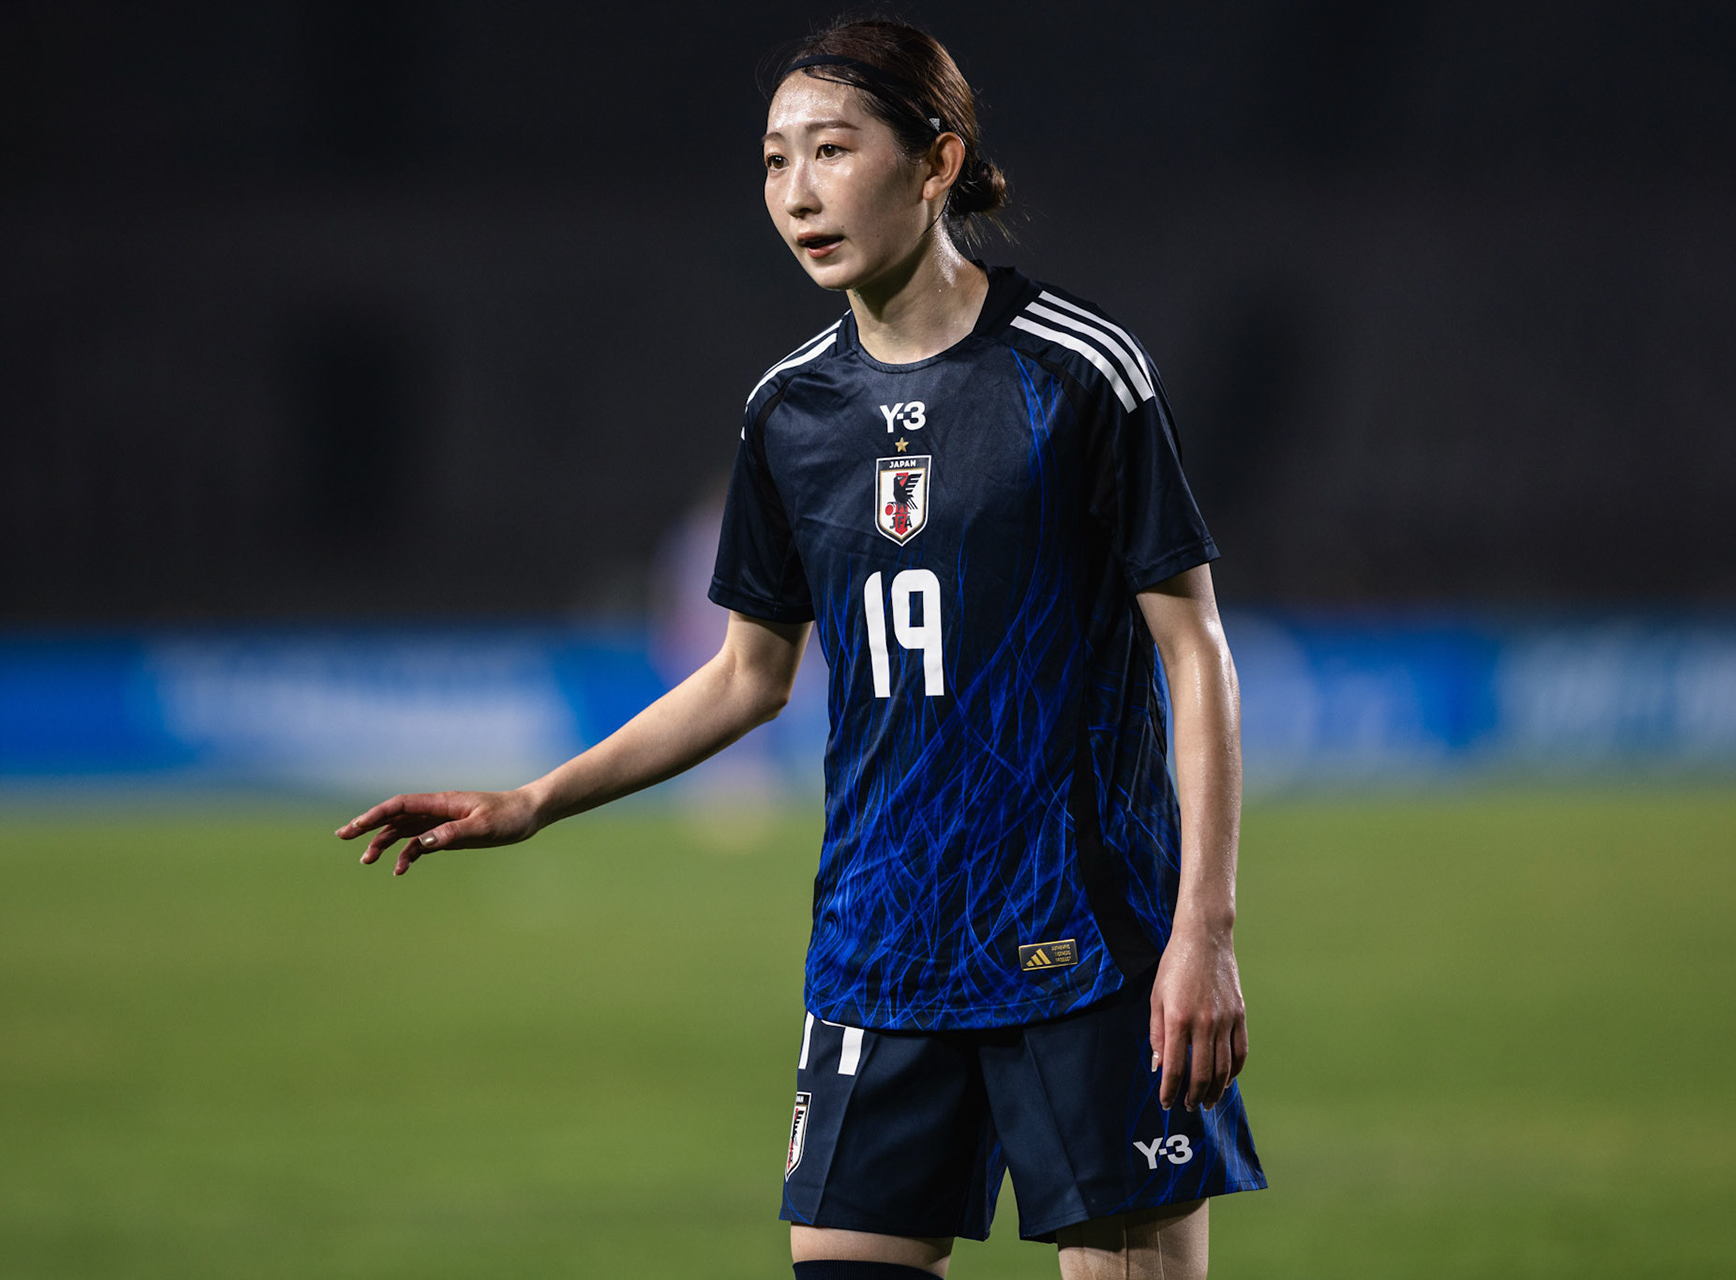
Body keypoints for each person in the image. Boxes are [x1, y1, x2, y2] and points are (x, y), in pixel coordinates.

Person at [336, 18, 1264, 1279]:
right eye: (776, 161)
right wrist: (534, 800)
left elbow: (1192, 645)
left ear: (937, 163)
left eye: (832, 150)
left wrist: (1201, 929)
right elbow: (746, 675)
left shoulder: (1079, 374)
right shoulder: (790, 412)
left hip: (1083, 946)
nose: (797, 192)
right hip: (879, 943)